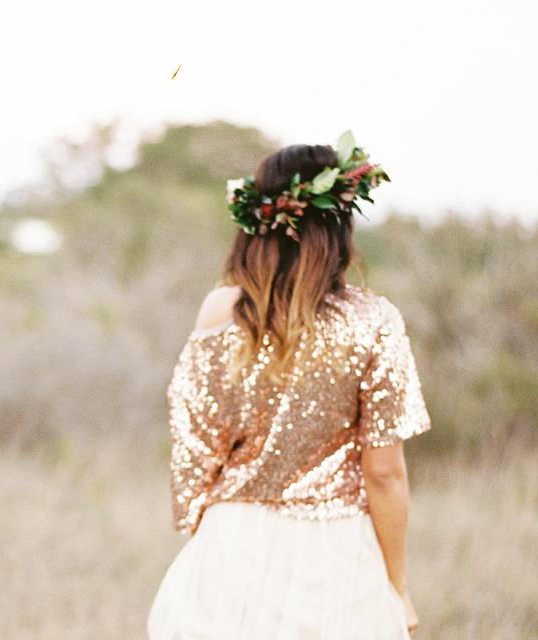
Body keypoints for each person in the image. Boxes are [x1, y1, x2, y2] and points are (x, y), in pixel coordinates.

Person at [146, 132, 431, 639]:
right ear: (340, 225)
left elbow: (193, 448)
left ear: (258, 224)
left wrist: (202, 526)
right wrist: (399, 587)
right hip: (338, 556)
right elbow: (384, 474)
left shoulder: (222, 311)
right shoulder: (375, 321)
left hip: (231, 546)